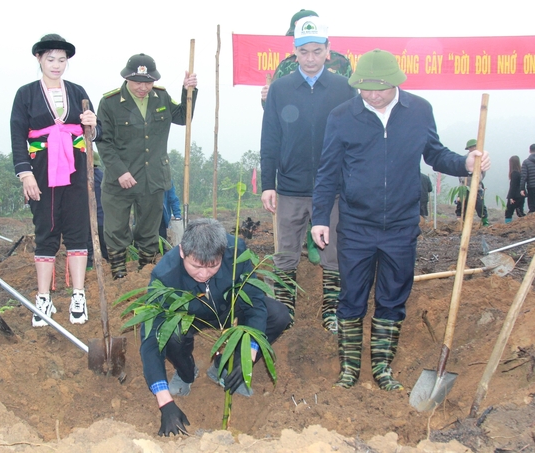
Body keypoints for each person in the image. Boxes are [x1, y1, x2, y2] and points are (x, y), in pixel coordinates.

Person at [311, 49, 490, 391]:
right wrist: (320, 217)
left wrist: (466, 164)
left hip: (401, 226)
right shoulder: (341, 116)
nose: (373, 95)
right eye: (365, 88)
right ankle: (349, 368)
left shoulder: (419, 110)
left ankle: (382, 367)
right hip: (356, 225)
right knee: (351, 297)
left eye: (380, 88)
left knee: (393, 297)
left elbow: (435, 153)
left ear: (396, 83)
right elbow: (328, 170)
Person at [139, 218, 291, 436]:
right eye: (196, 266)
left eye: (212, 266)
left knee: (278, 315)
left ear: (222, 254)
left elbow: (255, 303)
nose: (203, 274)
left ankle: (225, 366)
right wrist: (164, 402)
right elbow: (151, 340)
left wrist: (247, 356)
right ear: (182, 251)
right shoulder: (164, 276)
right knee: (170, 335)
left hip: (228, 310)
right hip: (188, 319)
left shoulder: (236, 252)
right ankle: (186, 372)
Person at [260, 15, 356, 331]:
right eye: (304, 52)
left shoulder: (344, 89)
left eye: (317, 51)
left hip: (332, 188)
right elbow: (270, 137)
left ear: (328, 51)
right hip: (289, 186)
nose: (311, 58)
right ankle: (284, 312)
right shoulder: (281, 89)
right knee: (286, 254)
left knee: (332, 254)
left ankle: (331, 311)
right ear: (295, 52)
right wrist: (268, 184)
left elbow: (354, 139)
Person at [10, 34, 100, 327]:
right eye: (51, 59)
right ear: (39, 59)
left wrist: (92, 126)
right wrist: (25, 174)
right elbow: (17, 136)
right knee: (46, 231)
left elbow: (91, 134)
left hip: (76, 171)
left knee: (77, 231)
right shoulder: (26, 94)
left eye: (62, 60)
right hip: (42, 170)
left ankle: (78, 295)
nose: (57, 65)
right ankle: (43, 299)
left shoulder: (78, 92)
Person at [97, 54, 197, 279]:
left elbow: (183, 117)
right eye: (138, 82)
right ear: (127, 79)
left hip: (153, 177)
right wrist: (120, 171)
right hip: (120, 178)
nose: (143, 87)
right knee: (115, 228)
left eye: (148, 82)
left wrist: (188, 90)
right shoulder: (110, 103)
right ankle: (119, 274)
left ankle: (146, 271)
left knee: (149, 228)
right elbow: (104, 142)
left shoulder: (161, 97)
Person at [458, 139, 489, 226]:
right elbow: (460, 174)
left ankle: (485, 221)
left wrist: (477, 179)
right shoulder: (465, 159)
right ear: (469, 148)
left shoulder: (480, 159)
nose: (473, 148)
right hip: (465, 187)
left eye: (475, 146)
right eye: (471, 147)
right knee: (463, 206)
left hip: (476, 187)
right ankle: (463, 223)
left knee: (480, 205)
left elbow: (483, 173)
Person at [87, 152, 108, 269]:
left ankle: (89, 269)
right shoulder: (102, 175)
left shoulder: (84, 177)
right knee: (105, 247)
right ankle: (109, 267)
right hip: (102, 219)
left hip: (90, 219)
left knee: (88, 247)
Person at [520, 144, 535, 213]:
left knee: (532, 207)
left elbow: (523, 176)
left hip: (531, 187)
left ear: (529, 151)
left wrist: (522, 188)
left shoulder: (526, 162)